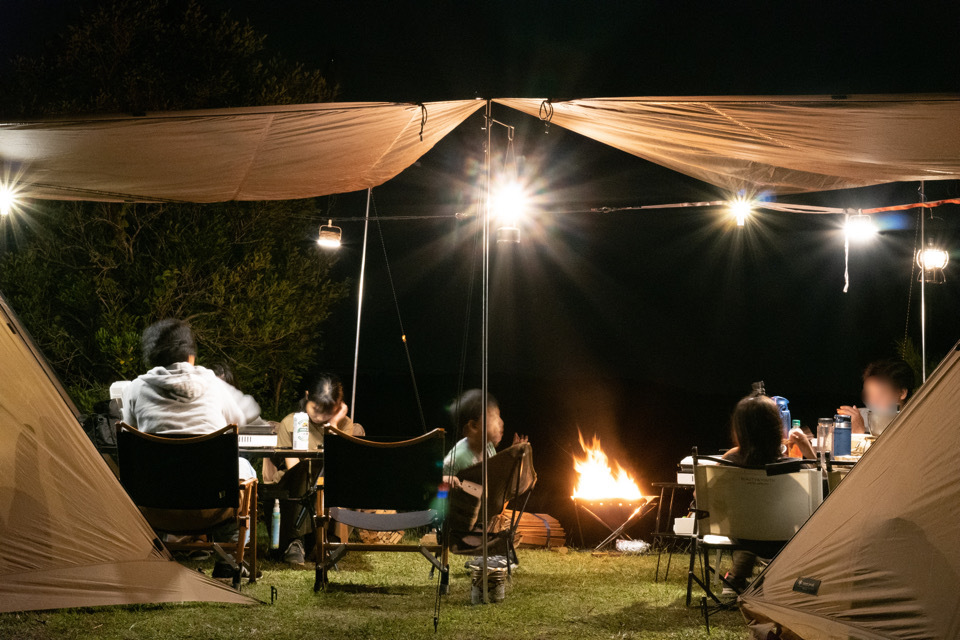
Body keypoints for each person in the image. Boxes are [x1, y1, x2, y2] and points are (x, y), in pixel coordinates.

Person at [122, 319, 261, 480]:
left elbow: (129, 438)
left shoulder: (135, 389)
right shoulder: (214, 385)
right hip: (211, 497)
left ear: (154, 359)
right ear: (190, 356)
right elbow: (245, 414)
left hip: (156, 496)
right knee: (243, 465)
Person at [263, 373, 364, 565]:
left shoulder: (344, 424)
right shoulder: (290, 422)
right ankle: (296, 541)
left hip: (328, 489)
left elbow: (339, 464)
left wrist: (333, 426)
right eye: (316, 408)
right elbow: (293, 468)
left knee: (344, 479)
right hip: (298, 489)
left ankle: (331, 542)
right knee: (304, 472)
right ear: (307, 395)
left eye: (328, 411)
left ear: (337, 407)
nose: (320, 416)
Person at [720, 393, 811, 593]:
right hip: (784, 537)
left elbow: (710, 500)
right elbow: (820, 492)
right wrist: (806, 448)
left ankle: (736, 578)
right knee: (770, 516)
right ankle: (782, 579)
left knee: (753, 519)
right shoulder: (793, 466)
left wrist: (738, 450)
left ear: (738, 430)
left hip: (741, 536)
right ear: (777, 428)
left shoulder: (729, 463)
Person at [442, 389, 527, 483]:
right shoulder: (457, 458)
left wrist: (512, 456)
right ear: (473, 426)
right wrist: (446, 479)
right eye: (493, 417)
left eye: (498, 415)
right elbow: (437, 482)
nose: (500, 422)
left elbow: (495, 476)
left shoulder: (488, 446)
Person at [837, 358, 915, 434]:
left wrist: (859, 435)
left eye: (881, 394)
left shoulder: (913, 424)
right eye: (869, 395)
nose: (873, 402)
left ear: (902, 393)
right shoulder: (860, 417)